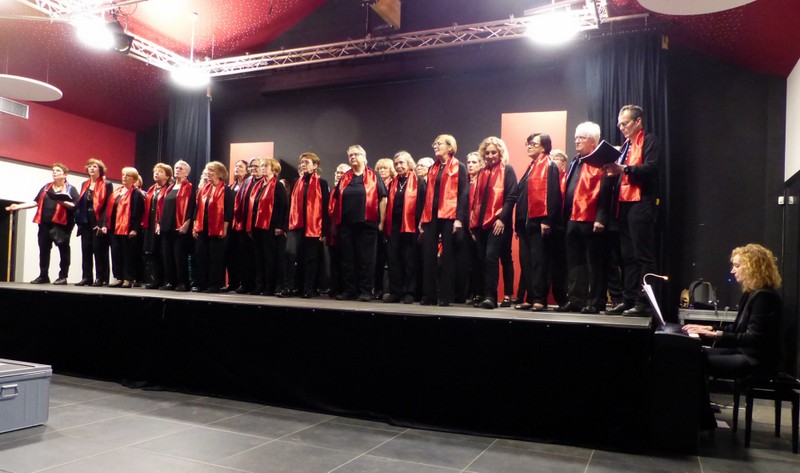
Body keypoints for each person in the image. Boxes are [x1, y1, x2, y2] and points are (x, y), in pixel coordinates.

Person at [683, 244, 783, 378]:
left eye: (737, 266)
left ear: (752, 268)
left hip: (755, 360)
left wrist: (715, 335)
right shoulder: (750, 293)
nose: (732, 271)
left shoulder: (764, 296)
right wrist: (710, 328)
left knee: (692, 361)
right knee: (692, 355)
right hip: (743, 353)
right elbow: (737, 328)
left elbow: (753, 338)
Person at [604, 105, 660, 316]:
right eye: (619, 124)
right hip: (624, 204)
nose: (621, 127)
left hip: (641, 202)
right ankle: (628, 300)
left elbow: (651, 167)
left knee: (643, 256)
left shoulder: (649, 140)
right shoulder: (625, 146)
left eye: (625, 123)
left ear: (638, 121)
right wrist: (613, 171)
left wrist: (624, 169)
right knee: (627, 256)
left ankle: (644, 302)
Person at [558, 122, 614, 314]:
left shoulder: (601, 162)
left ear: (593, 141)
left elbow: (606, 192)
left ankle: (595, 301)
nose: (576, 141)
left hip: (591, 219)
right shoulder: (576, 161)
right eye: (576, 137)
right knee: (575, 263)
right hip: (572, 218)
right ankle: (576, 299)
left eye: (581, 138)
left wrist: (601, 218)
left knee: (594, 263)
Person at [6, 163, 79, 284]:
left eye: (58, 170)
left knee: (63, 250)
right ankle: (43, 275)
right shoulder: (46, 187)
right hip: (45, 223)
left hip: (62, 225)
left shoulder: (71, 189)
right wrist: (18, 206)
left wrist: (63, 203)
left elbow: (76, 205)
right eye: (53, 170)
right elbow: (36, 202)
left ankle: (63, 276)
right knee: (44, 250)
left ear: (65, 174)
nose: (54, 172)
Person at [331, 145, 387, 302]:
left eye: (356, 154)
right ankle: (350, 290)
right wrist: (334, 224)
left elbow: (383, 199)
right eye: (350, 155)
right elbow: (336, 201)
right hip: (346, 224)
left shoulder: (374, 176)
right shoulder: (345, 177)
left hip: (367, 223)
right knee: (348, 259)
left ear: (364, 157)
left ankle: (365, 291)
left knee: (366, 259)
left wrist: (382, 221)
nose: (353, 157)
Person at [514, 133, 563, 311]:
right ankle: (530, 297)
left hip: (538, 222)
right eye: (528, 143)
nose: (529, 146)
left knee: (539, 261)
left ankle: (539, 299)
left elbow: (554, 194)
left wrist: (548, 220)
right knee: (526, 262)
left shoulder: (549, 165)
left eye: (533, 144)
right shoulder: (531, 166)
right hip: (525, 223)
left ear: (544, 147)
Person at [419, 134, 468, 306]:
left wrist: (459, 219)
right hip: (431, 215)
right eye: (434, 143)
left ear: (449, 147)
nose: (435, 146)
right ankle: (429, 295)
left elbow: (463, 194)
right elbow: (428, 195)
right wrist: (422, 219)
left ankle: (446, 296)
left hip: (449, 215)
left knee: (448, 256)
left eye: (439, 143)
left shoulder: (459, 166)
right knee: (428, 254)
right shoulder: (433, 167)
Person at [469, 137, 518, 309]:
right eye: (487, 153)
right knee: (482, 258)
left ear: (500, 153)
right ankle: (485, 295)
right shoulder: (482, 172)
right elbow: (476, 201)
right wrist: (473, 224)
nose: (490, 156)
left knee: (492, 257)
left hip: (499, 223)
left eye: (493, 152)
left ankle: (492, 296)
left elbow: (511, 196)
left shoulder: (507, 170)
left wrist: (502, 219)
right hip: (482, 224)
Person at [282, 152, 330, 298]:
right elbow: (290, 205)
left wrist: (324, 230)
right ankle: (291, 287)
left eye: (306, 162)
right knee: (292, 255)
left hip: (313, 226)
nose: (303, 165)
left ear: (315, 165)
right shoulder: (296, 182)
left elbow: (325, 208)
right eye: (302, 162)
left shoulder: (322, 183)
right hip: (296, 225)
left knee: (310, 258)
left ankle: (308, 289)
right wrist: (287, 225)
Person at [384, 151, 426, 303]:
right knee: (393, 258)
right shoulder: (393, 183)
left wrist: (422, 225)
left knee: (410, 259)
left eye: (401, 163)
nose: (398, 166)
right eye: (396, 164)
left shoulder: (419, 181)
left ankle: (410, 292)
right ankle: (395, 292)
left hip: (411, 225)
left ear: (409, 163)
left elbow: (424, 204)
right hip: (394, 225)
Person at [192, 161, 234, 293]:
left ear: (220, 174)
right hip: (202, 227)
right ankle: (201, 283)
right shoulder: (204, 189)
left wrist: (225, 227)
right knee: (200, 255)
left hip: (218, 228)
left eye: (212, 171)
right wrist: (195, 226)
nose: (208, 173)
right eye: (208, 170)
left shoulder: (226, 190)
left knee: (216, 257)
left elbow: (229, 211)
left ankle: (214, 284)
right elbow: (197, 209)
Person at [74, 158, 113, 287]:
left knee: (99, 249)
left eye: (94, 166)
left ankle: (100, 278)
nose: (91, 168)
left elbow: (108, 205)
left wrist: (103, 223)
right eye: (89, 166)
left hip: (99, 220)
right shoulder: (84, 184)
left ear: (100, 170)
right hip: (86, 220)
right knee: (86, 249)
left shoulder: (107, 184)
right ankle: (86, 277)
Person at [253, 158, 288, 295]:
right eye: (262, 166)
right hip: (258, 227)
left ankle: (271, 287)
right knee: (259, 257)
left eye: (265, 166)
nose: (262, 168)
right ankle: (260, 286)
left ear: (274, 169)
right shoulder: (259, 185)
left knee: (270, 258)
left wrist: (281, 226)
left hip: (272, 227)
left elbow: (284, 207)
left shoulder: (278, 185)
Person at [158, 160, 195, 292]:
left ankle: (183, 282)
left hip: (179, 227)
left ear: (187, 173)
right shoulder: (169, 187)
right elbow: (162, 207)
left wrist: (186, 224)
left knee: (179, 256)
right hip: (166, 226)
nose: (177, 170)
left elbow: (191, 207)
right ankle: (170, 282)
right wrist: (159, 223)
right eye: (176, 168)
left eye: (180, 168)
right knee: (167, 256)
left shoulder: (189, 187)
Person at [105, 167, 144, 288]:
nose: (124, 177)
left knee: (128, 254)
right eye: (123, 175)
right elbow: (109, 210)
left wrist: (134, 229)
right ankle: (118, 277)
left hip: (128, 228)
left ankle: (128, 278)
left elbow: (138, 213)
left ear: (134, 179)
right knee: (116, 253)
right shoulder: (117, 192)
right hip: (114, 228)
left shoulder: (136, 193)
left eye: (128, 175)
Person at [234, 158, 265, 294]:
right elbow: (239, 201)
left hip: (258, 226)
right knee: (244, 256)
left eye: (256, 166)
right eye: (251, 167)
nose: (253, 169)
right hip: (244, 225)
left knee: (258, 258)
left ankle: (258, 285)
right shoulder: (247, 182)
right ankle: (245, 283)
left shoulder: (265, 183)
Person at [141, 163, 173, 289]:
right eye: (155, 171)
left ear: (167, 176)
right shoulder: (152, 189)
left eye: (160, 172)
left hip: (162, 224)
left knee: (162, 253)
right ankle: (156, 279)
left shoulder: (169, 189)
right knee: (152, 252)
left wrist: (159, 222)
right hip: (151, 225)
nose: (156, 173)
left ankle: (167, 280)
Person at [225, 159, 250, 292]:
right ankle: (232, 282)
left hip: (243, 225)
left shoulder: (248, 186)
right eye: (236, 166)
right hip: (231, 226)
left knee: (242, 255)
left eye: (240, 166)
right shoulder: (231, 187)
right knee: (230, 254)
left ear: (247, 170)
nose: (237, 168)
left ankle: (243, 282)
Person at [373, 157, 396, 300]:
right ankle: (378, 288)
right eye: (380, 168)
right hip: (378, 224)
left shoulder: (395, 184)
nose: (382, 171)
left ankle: (392, 289)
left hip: (393, 225)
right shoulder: (374, 183)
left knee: (392, 258)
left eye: (385, 168)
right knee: (378, 258)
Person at [465, 151, 484, 306]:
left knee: (479, 260)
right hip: (464, 225)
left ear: (480, 164)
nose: (470, 165)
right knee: (469, 261)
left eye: (474, 162)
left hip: (478, 225)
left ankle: (480, 293)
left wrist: (473, 226)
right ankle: (469, 293)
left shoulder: (482, 180)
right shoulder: (465, 181)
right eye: (469, 162)